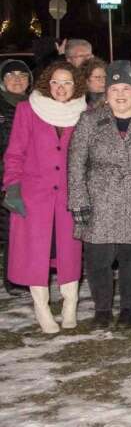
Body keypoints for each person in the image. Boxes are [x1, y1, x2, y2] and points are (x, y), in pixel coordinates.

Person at [68, 61, 131, 330]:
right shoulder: (89, 121)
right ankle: (102, 309)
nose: (121, 94)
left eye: (126, 88)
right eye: (114, 89)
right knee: (98, 258)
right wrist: (78, 200)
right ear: (106, 94)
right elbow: (76, 163)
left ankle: (128, 308)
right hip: (98, 200)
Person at [4, 61, 86, 333]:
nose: (60, 88)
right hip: (34, 195)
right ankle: (42, 308)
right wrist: (12, 187)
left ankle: (70, 304)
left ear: (76, 86)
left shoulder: (84, 113)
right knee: (35, 254)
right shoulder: (28, 110)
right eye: (55, 82)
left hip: (69, 197)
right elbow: (15, 153)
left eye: (67, 83)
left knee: (69, 252)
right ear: (46, 84)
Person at [0, 60, 32, 298]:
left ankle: (22, 275)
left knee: (22, 227)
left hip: (30, 175)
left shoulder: (36, 104)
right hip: (6, 175)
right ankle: (13, 279)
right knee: (9, 228)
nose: (17, 79)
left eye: (22, 75)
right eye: (11, 75)